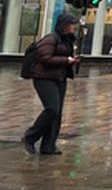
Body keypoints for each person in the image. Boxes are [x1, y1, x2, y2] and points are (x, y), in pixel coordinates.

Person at [22, 13, 80, 156]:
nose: (74, 27)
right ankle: (30, 137)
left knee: (57, 113)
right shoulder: (51, 38)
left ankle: (48, 145)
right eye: (72, 24)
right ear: (64, 25)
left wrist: (71, 60)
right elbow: (45, 57)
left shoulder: (66, 40)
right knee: (52, 108)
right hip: (44, 78)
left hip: (59, 78)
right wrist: (66, 60)